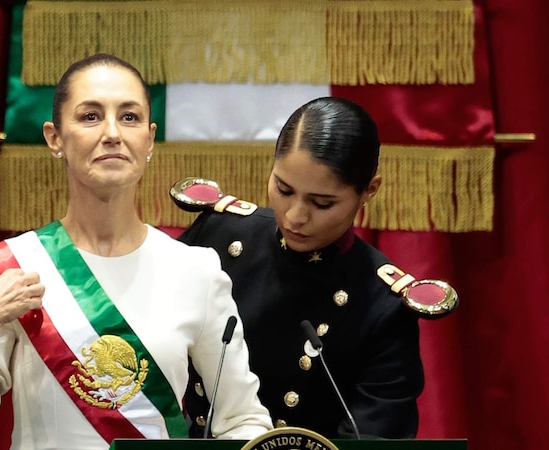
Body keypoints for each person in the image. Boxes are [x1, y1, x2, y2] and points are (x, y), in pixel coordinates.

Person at [0, 53, 272, 450]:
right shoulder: (10, 269)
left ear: (149, 139)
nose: (112, 132)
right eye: (90, 117)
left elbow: (245, 420)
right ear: (54, 138)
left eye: (128, 117)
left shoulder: (196, 270)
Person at [179, 97, 425, 439]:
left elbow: (373, 438)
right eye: (283, 189)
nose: (295, 216)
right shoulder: (218, 236)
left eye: (322, 203)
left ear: (369, 190)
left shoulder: (383, 306)